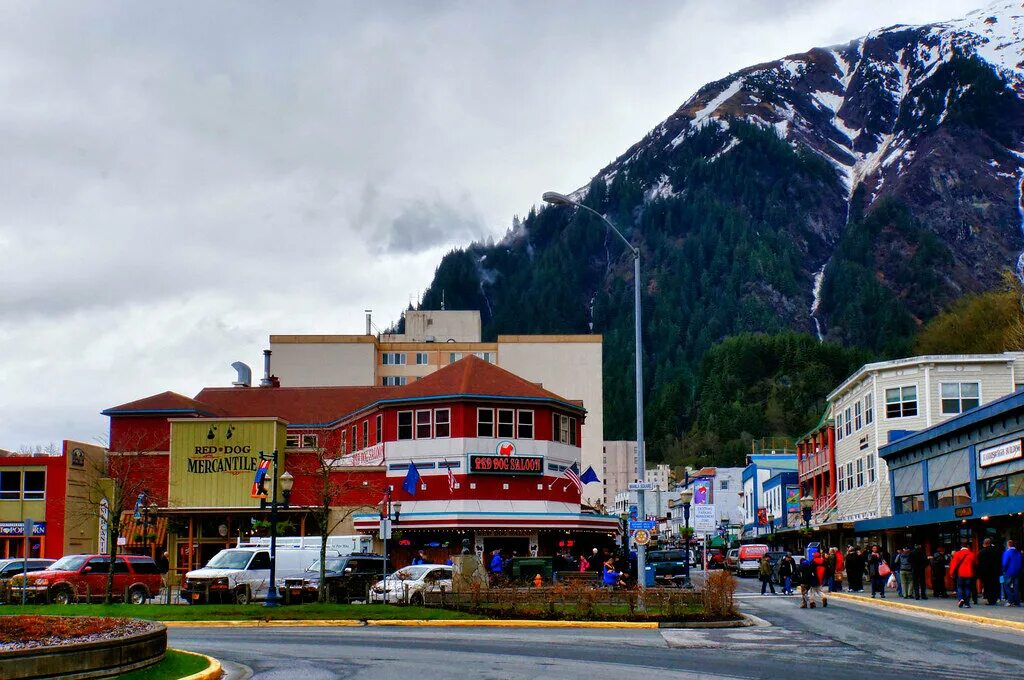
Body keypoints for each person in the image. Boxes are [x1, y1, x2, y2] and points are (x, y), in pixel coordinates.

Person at [949, 541, 976, 609]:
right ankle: (967, 603)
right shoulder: (972, 554)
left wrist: (951, 573)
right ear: (968, 546)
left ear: (961, 546)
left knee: (960, 587)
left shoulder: (957, 554)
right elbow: (975, 564)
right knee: (967, 588)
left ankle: (961, 599)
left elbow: (953, 564)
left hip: (960, 574)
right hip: (969, 574)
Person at [977, 538, 1002, 605]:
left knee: (987, 586)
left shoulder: (981, 552)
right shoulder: (997, 551)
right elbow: (1000, 561)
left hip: (986, 572)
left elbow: (979, 563)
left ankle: (990, 599)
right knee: (995, 585)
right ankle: (995, 598)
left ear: (985, 544)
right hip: (996, 571)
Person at [1002, 539, 1022, 607]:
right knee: (1016, 587)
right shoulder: (1019, 553)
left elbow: (1005, 563)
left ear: (1008, 545)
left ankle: (1010, 601)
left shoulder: (1007, 553)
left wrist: (1004, 570)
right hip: (1017, 572)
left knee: (1007, 586)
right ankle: (1017, 601)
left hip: (1009, 572)